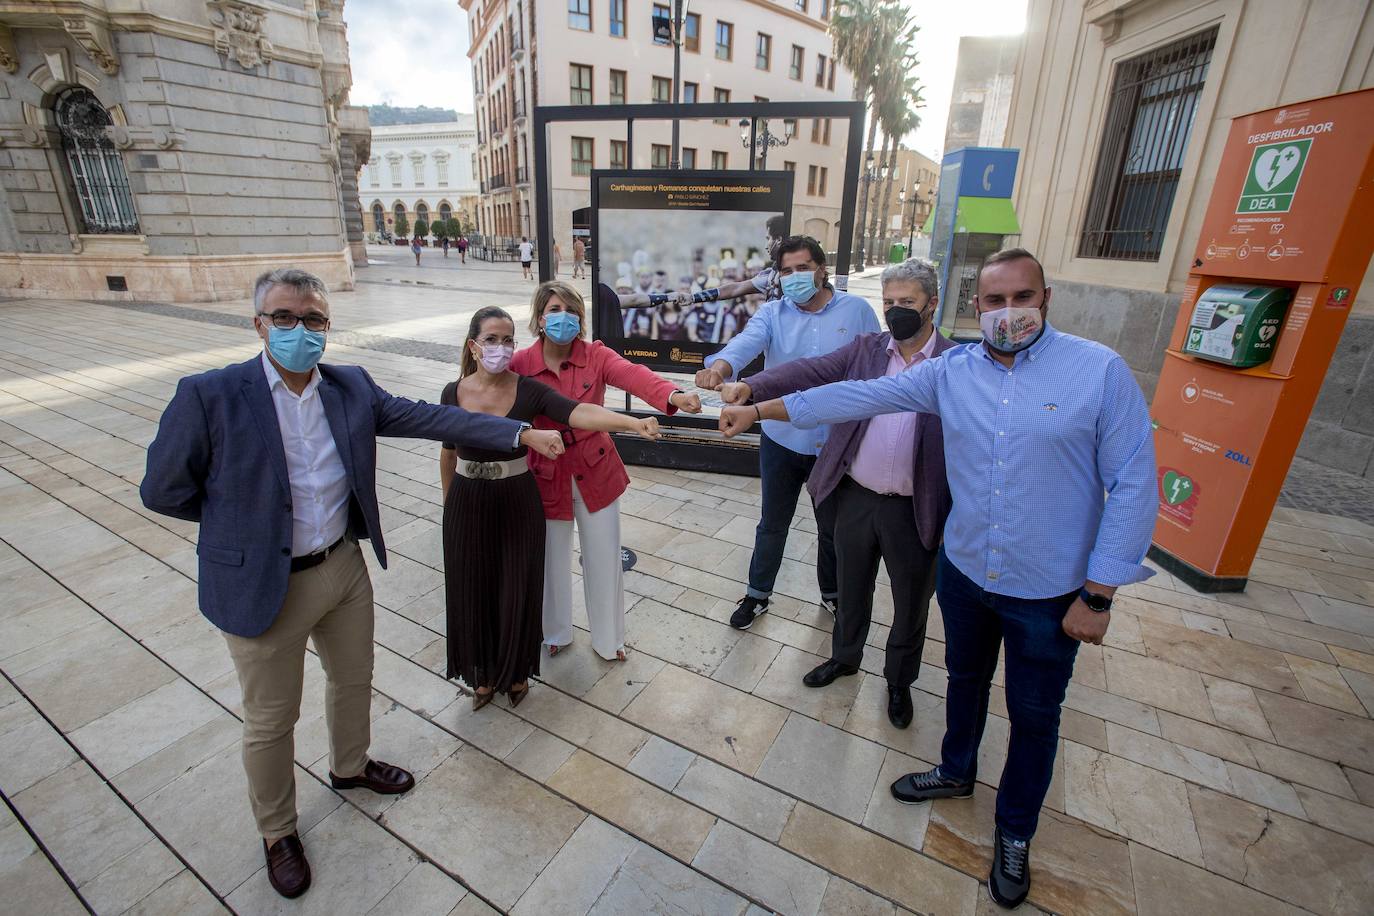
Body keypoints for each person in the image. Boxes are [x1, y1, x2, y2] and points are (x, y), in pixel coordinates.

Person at [719, 248, 1157, 910]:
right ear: (975, 307)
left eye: (1023, 298)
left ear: (1046, 299)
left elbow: (1133, 484)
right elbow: (857, 394)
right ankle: (955, 770)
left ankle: (1014, 834)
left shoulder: (1099, 372)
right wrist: (761, 409)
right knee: (964, 682)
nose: (1010, 312)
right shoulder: (954, 373)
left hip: (1051, 592)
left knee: (1035, 716)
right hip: (969, 572)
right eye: (996, 300)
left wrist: (1100, 592)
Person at [140, 269, 561, 900]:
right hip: (266, 583)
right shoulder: (210, 395)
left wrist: (519, 434)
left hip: (340, 566)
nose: (300, 331)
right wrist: (247, 525)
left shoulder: (348, 386)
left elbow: (427, 418)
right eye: (285, 318)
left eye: (313, 320)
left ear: (327, 327)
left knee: (353, 678)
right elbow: (163, 490)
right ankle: (278, 830)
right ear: (260, 325)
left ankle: (350, 766)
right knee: (271, 717)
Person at [718, 259, 954, 729]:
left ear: (932, 303)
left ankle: (898, 681)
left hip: (915, 508)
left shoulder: (955, 363)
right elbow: (808, 371)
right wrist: (751, 387)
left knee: (910, 603)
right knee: (851, 588)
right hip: (857, 495)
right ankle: (845, 658)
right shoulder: (866, 350)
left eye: (906, 302)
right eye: (889, 302)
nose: (895, 311)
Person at [440, 305, 663, 707]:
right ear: (473, 346)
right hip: (468, 499)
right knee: (473, 587)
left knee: (517, 585)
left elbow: (578, 413)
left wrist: (633, 423)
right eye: (491, 339)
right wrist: (448, 503)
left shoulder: (526, 388)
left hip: (518, 495)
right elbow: (447, 451)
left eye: (507, 340)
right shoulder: (452, 392)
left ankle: (516, 674)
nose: (501, 348)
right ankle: (481, 675)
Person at [695, 235, 881, 629]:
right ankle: (757, 594)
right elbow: (746, 343)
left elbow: (874, 365)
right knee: (772, 523)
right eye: (786, 270)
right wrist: (721, 368)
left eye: (803, 268)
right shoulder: (773, 313)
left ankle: (832, 595)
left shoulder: (858, 310)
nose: (795, 277)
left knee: (832, 529)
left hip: (835, 443)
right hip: (781, 437)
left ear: (822, 269)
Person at [513, 282, 702, 660]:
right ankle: (555, 632)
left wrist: (674, 396)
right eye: (553, 308)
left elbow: (635, 374)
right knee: (550, 557)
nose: (562, 316)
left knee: (603, 555)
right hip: (545, 474)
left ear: (580, 319)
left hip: (594, 468)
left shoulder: (595, 355)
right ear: (539, 317)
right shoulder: (521, 364)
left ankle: (610, 639)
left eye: (570, 310)